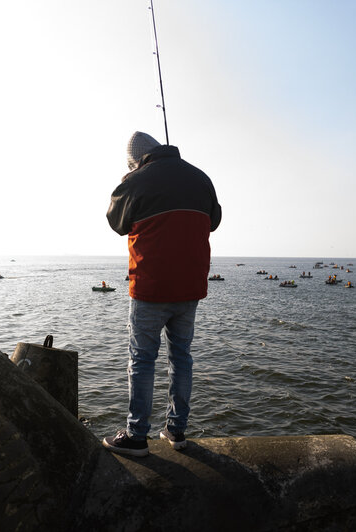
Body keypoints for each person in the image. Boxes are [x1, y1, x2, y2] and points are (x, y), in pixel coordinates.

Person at [103, 131, 221, 457]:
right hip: (189, 288)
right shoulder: (201, 178)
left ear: (136, 160)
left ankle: (137, 435)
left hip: (150, 287)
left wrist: (131, 179)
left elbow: (116, 221)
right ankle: (176, 430)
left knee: (142, 360)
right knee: (181, 358)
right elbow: (214, 221)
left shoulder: (136, 181)